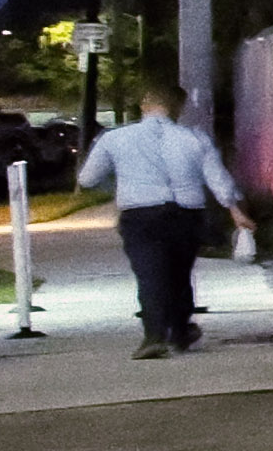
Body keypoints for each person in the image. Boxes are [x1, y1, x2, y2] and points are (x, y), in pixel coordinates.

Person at [74, 82, 245, 359]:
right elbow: (217, 179)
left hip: (140, 214)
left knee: (149, 273)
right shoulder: (195, 138)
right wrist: (236, 211)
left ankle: (154, 334)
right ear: (178, 107)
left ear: (144, 105)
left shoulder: (115, 138)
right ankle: (179, 331)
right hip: (186, 214)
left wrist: (116, 185)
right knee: (179, 273)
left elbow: (87, 179)